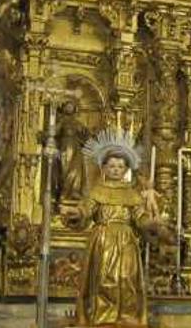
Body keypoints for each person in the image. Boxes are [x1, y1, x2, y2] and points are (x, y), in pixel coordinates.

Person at [61, 129, 165, 327]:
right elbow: (87, 209)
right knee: (103, 279)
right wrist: (77, 213)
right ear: (104, 168)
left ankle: (127, 315)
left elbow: (140, 217)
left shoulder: (132, 193)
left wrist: (152, 223)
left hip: (126, 241)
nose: (116, 169)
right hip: (103, 239)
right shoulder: (97, 190)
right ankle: (104, 318)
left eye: (120, 166)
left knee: (127, 277)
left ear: (126, 169)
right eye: (112, 166)